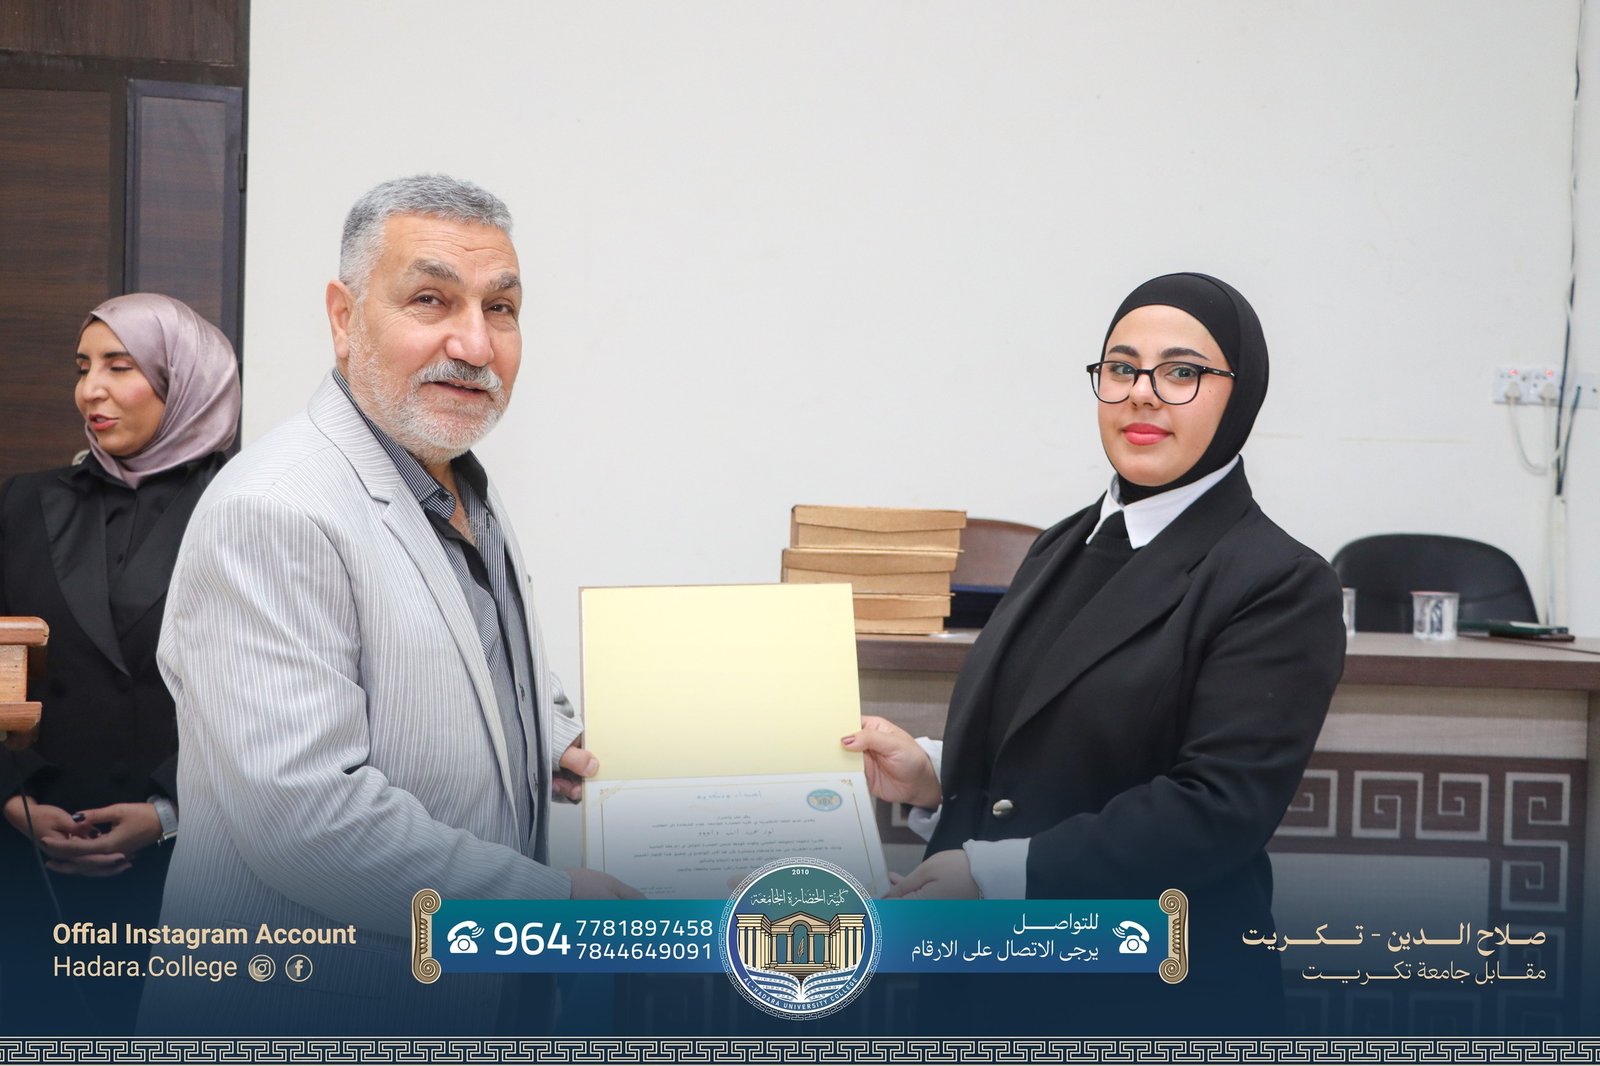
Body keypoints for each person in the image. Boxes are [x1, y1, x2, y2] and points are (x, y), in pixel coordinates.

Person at [138, 175, 640, 1037]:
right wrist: (552, 904)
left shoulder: (451, 480)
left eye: (501, 308)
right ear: (344, 319)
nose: (474, 344)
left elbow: (446, 650)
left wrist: (540, 732)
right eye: (430, 300)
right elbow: (305, 817)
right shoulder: (276, 509)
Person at [844, 272, 1346, 1033]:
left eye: (1181, 372)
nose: (1143, 394)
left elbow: (1217, 807)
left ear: (1240, 394)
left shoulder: (1277, 581)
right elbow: (1063, 738)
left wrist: (996, 873)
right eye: (1121, 368)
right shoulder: (1062, 544)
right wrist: (939, 774)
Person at [0, 293, 241, 1033]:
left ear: (183, 378)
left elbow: (274, 692)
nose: (90, 390)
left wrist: (169, 812)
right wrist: (11, 796)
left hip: (189, 866)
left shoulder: (249, 508)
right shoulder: (23, 503)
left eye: (119, 366)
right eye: (83, 368)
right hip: (29, 866)